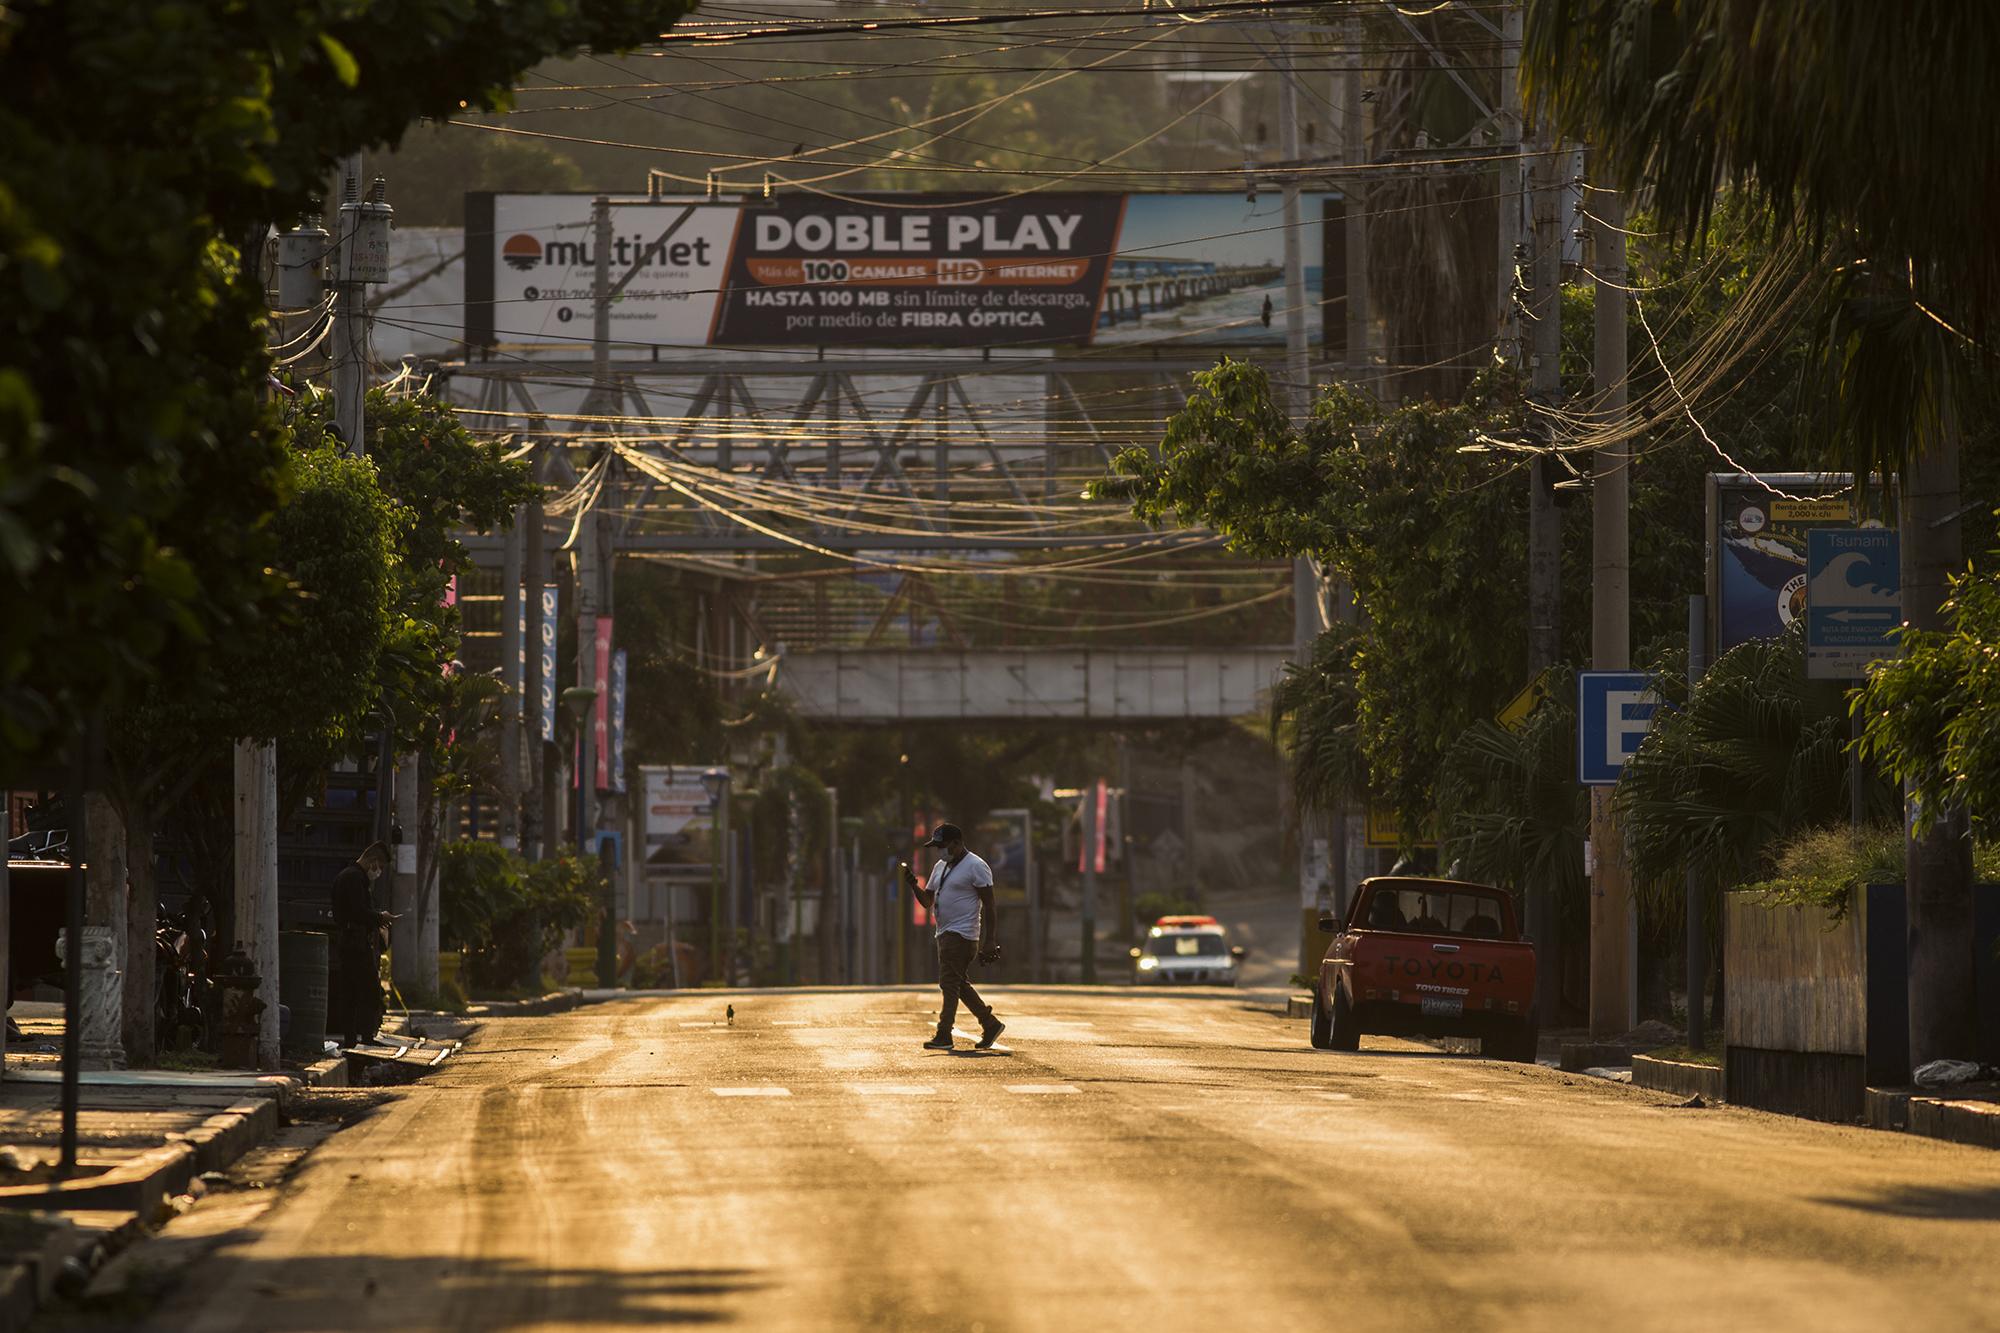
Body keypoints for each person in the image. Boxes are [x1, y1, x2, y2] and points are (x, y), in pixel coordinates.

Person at [901, 822, 1004, 1051]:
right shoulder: (940, 867)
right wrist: (913, 885)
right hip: (945, 933)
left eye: (943, 845)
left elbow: (990, 904)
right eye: (937, 846)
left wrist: (990, 939)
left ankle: (944, 1033)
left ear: (957, 844)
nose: (940, 850)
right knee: (958, 982)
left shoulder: (976, 866)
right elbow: (927, 902)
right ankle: (990, 1024)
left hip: (963, 934)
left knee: (948, 982)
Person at [330, 841, 392, 1046]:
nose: (379, 871)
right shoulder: (354, 878)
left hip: (348, 940)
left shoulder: (347, 876)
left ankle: (352, 1039)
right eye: (380, 866)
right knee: (369, 991)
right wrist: (379, 917)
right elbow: (358, 911)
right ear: (373, 861)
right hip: (355, 942)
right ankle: (365, 1037)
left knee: (350, 992)